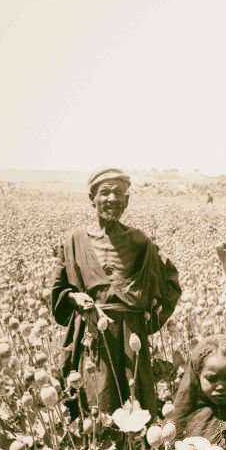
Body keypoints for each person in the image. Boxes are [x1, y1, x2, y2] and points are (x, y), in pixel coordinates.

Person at [51, 168, 181, 416]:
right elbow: (60, 289)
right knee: (95, 401)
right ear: (92, 199)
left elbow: (169, 282)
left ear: (127, 200)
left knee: (135, 400)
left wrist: (149, 317)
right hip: (92, 331)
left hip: (131, 335)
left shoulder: (140, 241)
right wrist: (74, 297)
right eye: (105, 193)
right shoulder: (74, 240)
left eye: (118, 193)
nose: (112, 199)